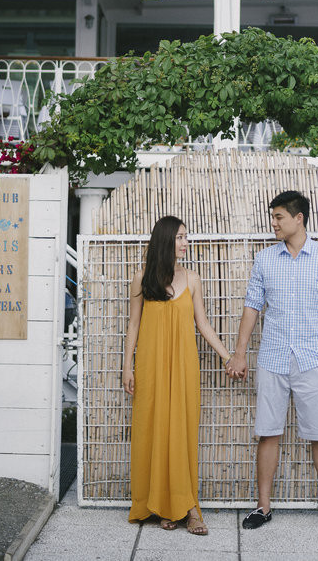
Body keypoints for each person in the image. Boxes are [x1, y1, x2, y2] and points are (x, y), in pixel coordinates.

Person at [226, 190, 318, 534]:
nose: (274, 223)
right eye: (273, 217)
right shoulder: (265, 260)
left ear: (299, 218)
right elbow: (252, 307)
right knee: (267, 434)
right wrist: (240, 352)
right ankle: (263, 507)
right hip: (272, 358)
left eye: (279, 217)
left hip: (314, 360)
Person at [123, 215, 232, 535]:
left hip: (183, 368)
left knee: (181, 435)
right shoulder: (142, 278)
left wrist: (228, 357)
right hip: (151, 368)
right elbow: (133, 325)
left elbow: (203, 324)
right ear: (165, 240)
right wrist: (127, 366)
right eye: (180, 237)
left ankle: (188, 508)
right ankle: (159, 506)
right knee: (153, 433)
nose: (185, 243)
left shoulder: (193, 279)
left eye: (187, 237)